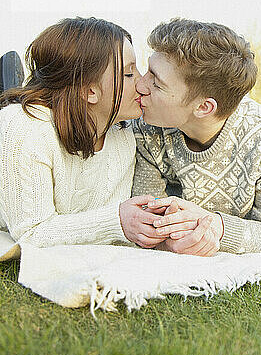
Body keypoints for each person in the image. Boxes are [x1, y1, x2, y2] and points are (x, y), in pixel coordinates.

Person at [132, 18, 261, 257]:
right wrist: (166, 238)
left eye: (156, 83)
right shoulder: (145, 126)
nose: (140, 85)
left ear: (203, 107)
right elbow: (145, 217)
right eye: (147, 70)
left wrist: (217, 228)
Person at [0, 17, 166, 249]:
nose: (142, 84)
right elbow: (31, 233)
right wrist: (117, 220)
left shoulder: (121, 133)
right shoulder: (24, 127)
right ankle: (9, 87)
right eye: (129, 75)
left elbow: (104, 232)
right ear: (90, 91)